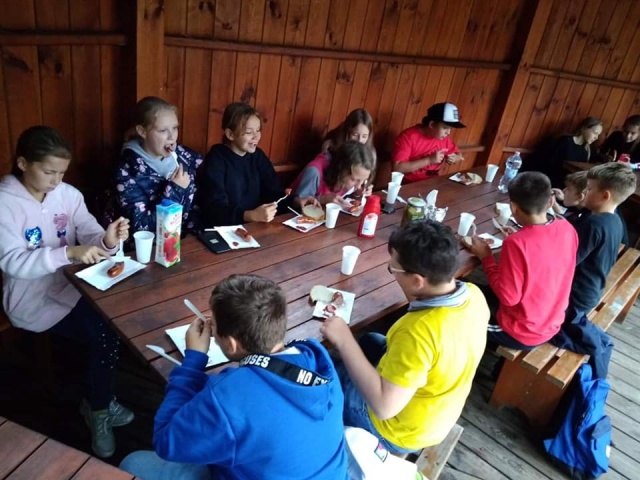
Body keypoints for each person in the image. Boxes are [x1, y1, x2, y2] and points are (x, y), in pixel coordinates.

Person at [119, 274, 348, 480]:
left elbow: (165, 441)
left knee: (133, 462)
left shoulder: (227, 398)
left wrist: (193, 361)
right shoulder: (318, 359)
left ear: (231, 344)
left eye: (215, 327)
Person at [0, 126, 134, 458]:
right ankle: (99, 407)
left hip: (72, 288)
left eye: (61, 172)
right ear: (22, 163)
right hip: (31, 301)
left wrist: (107, 239)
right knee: (103, 335)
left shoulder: (67, 195)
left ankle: (99, 402)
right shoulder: (5, 203)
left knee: (110, 326)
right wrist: (68, 253)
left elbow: (88, 231)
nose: (56, 181)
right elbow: (13, 263)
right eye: (49, 172)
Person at [321, 221, 489, 454]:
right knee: (369, 341)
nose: (393, 273)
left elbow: (384, 408)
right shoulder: (473, 294)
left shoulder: (419, 330)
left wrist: (343, 339)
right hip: (437, 407)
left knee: (322, 370)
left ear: (418, 280)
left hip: (396, 429)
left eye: (394, 269)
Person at [464, 172, 579, 349]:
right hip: (550, 319)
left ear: (513, 207)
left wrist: (486, 257)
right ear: (550, 202)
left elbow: (508, 298)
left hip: (522, 330)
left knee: (452, 305)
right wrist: (522, 236)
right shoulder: (567, 228)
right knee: (467, 288)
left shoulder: (516, 243)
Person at [551, 163, 637, 379]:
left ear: (605, 195)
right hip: (590, 292)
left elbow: (566, 263)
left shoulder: (594, 224)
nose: (585, 193)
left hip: (573, 299)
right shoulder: (614, 221)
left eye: (589, 189)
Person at [196, 102, 317, 227]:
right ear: (230, 134)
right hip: (223, 229)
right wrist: (250, 215)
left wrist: (296, 201)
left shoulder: (257, 156)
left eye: (258, 130)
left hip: (256, 226)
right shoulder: (216, 159)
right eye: (249, 132)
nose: (256, 136)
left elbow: (274, 191)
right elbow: (214, 209)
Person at [116, 96, 202, 233]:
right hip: (155, 243)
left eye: (175, 128)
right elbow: (141, 226)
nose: (172, 137)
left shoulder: (184, 156)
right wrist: (176, 190)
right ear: (142, 131)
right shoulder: (127, 171)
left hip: (191, 238)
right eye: (162, 131)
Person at [391, 102, 465, 183]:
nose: (448, 133)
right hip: (408, 183)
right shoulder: (408, 136)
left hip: (433, 182)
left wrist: (456, 158)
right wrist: (429, 160)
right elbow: (397, 168)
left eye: (450, 129)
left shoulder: (444, 138)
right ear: (432, 124)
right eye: (445, 128)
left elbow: (458, 154)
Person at [290, 141, 375, 206]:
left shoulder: (349, 177)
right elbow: (298, 204)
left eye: (363, 180)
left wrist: (357, 194)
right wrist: (322, 199)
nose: (359, 186)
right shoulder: (314, 172)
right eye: (354, 179)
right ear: (341, 170)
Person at [528, 117, 603, 188]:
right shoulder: (564, 141)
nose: (596, 138)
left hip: (567, 184)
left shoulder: (585, 150)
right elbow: (548, 164)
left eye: (598, 135)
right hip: (548, 180)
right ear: (584, 128)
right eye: (595, 133)